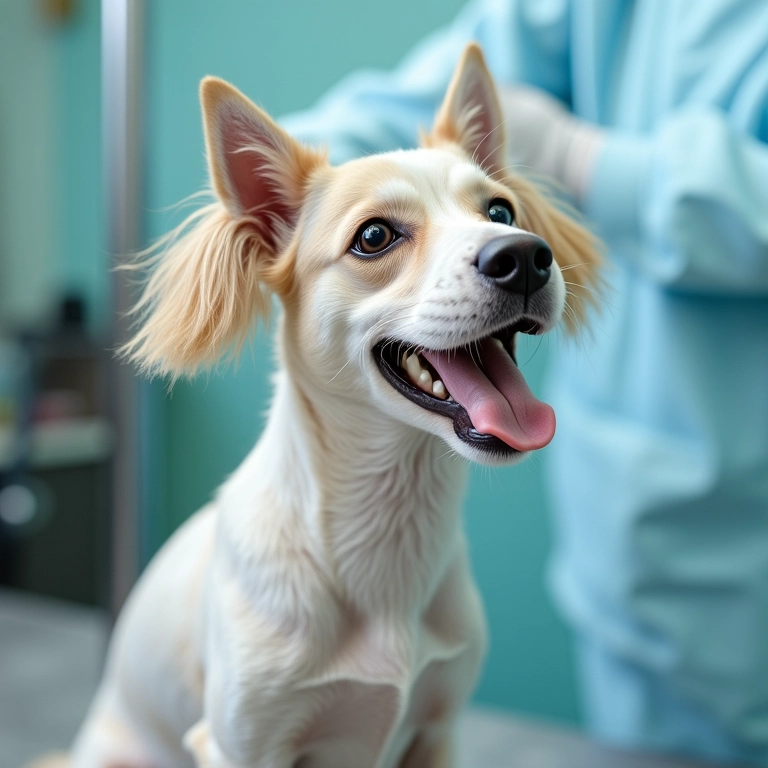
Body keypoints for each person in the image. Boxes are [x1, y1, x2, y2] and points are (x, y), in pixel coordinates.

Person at [282, 1, 768, 764]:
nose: (508, 247)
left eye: (498, 213)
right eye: (380, 238)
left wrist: (585, 159)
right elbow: (410, 103)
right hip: (636, 550)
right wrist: (290, 198)